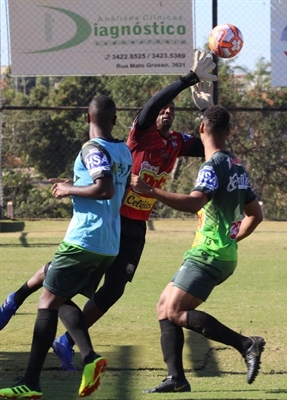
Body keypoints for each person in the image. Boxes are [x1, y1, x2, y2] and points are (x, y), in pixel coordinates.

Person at [0, 50, 217, 372]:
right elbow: (153, 104)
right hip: (111, 219)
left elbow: (213, 143)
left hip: (133, 227)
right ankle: (15, 299)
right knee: (64, 278)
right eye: (163, 109)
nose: (167, 112)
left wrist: (207, 110)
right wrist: (186, 80)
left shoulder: (176, 142)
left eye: (172, 110)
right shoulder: (139, 134)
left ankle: (66, 341)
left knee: (112, 289)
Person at [0, 96, 133, 399]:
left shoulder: (92, 148)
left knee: (47, 303)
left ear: (88, 118)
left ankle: (33, 382)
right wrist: (76, 183)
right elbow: (115, 191)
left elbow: (104, 187)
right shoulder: (123, 150)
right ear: (114, 120)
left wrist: (67, 189)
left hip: (83, 240)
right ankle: (86, 357)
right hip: (109, 244)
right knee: (56, 296)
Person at [130, 105, 265, 393]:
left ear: (202, 129)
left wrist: (150, 190)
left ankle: (246, 344)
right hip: (220, 253)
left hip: (209, 255)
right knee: (164, 307)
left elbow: (193, 203)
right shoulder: (236, 166)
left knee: (176, 311)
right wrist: (232, 238)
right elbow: (256, 214)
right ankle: (176, 378)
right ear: (228, 132)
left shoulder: (212, 166)